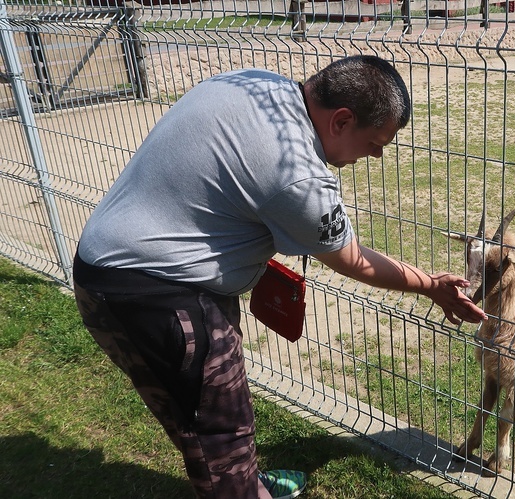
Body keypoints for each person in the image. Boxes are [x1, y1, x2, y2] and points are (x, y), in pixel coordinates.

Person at [73, 55, 487, 499]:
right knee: (223, 434)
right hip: (162, 296)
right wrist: (430, 285)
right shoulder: (299, 176)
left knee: (193, 415)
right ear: (342, 120)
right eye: (376, 142)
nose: (377, 154)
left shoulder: (253, 83)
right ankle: (240, 487)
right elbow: (352, 260)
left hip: (104, 271)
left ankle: (243, 484)